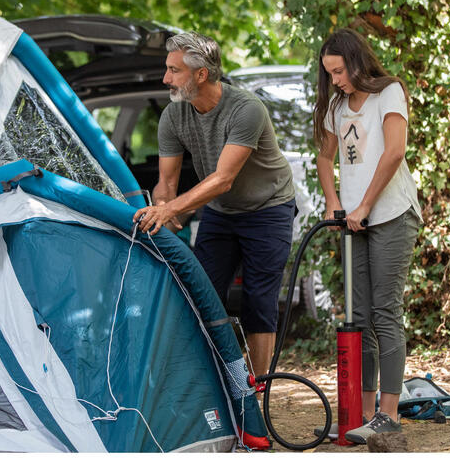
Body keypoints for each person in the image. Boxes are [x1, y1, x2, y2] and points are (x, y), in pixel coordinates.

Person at [134, 31, 296, 377]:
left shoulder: (246, 110)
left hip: (268, 208)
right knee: (201, 291)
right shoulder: (174, 116)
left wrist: (171, 209)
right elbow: (167, 183)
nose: (166, 79)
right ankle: (217, 382)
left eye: (174, 70)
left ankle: (257, 391)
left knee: (258, 300)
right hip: (222, 212)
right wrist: (163, 212)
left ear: (201, 74)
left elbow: (223, 178)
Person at [314, 28, 422, 444]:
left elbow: (395, 151)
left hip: (391, 213)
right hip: (354, 219)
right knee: (357, 317)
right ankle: (359, 415)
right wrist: (333, 200)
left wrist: (364, 205)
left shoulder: (389, 92)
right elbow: (325, 155)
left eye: (339, 71)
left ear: (356, 62)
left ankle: (388, 415)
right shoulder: (337, 104)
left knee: (384, 312)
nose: (336, 80)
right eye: (330, 74)